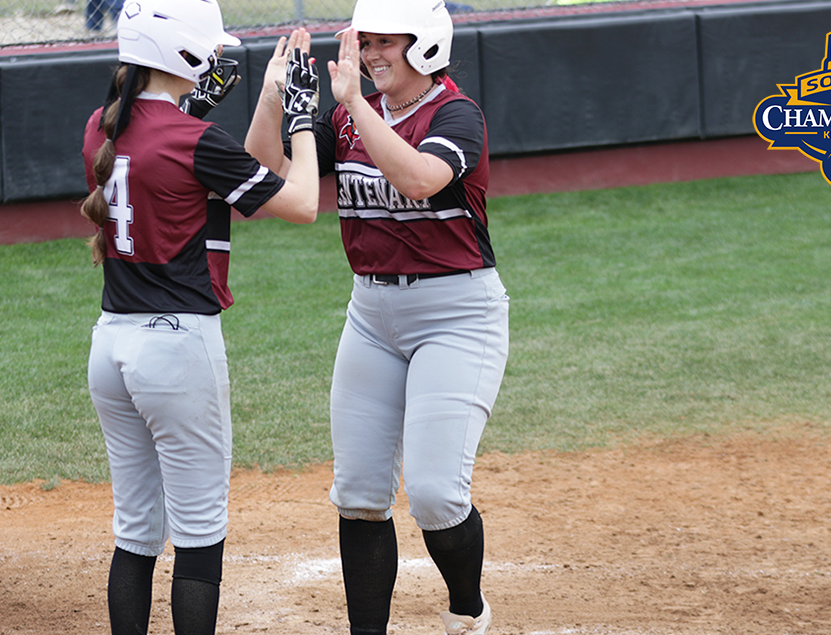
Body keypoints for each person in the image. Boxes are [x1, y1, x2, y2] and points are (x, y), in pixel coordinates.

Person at [244, 1, 509, 634]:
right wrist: (274, 98)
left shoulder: (455, 114)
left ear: (425, 45)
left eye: (385, 43)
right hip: (371, 314)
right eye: (367, 44)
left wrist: (355, 107)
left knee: (436, 493)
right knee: (360, 493)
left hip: (456, 314)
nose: (370, 56)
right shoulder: (347, 117)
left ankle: (468, 612)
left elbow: (419, 179)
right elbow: (268, 171)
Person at [78, 1, 320, 633]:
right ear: (182, 54)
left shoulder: (100, 128)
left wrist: (260, 102)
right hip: (178, 348)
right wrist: (301, 119)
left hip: (111, 345)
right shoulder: (193, 140)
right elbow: (304, 204)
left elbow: (188, 165)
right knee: (199, 532)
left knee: (135, 531)